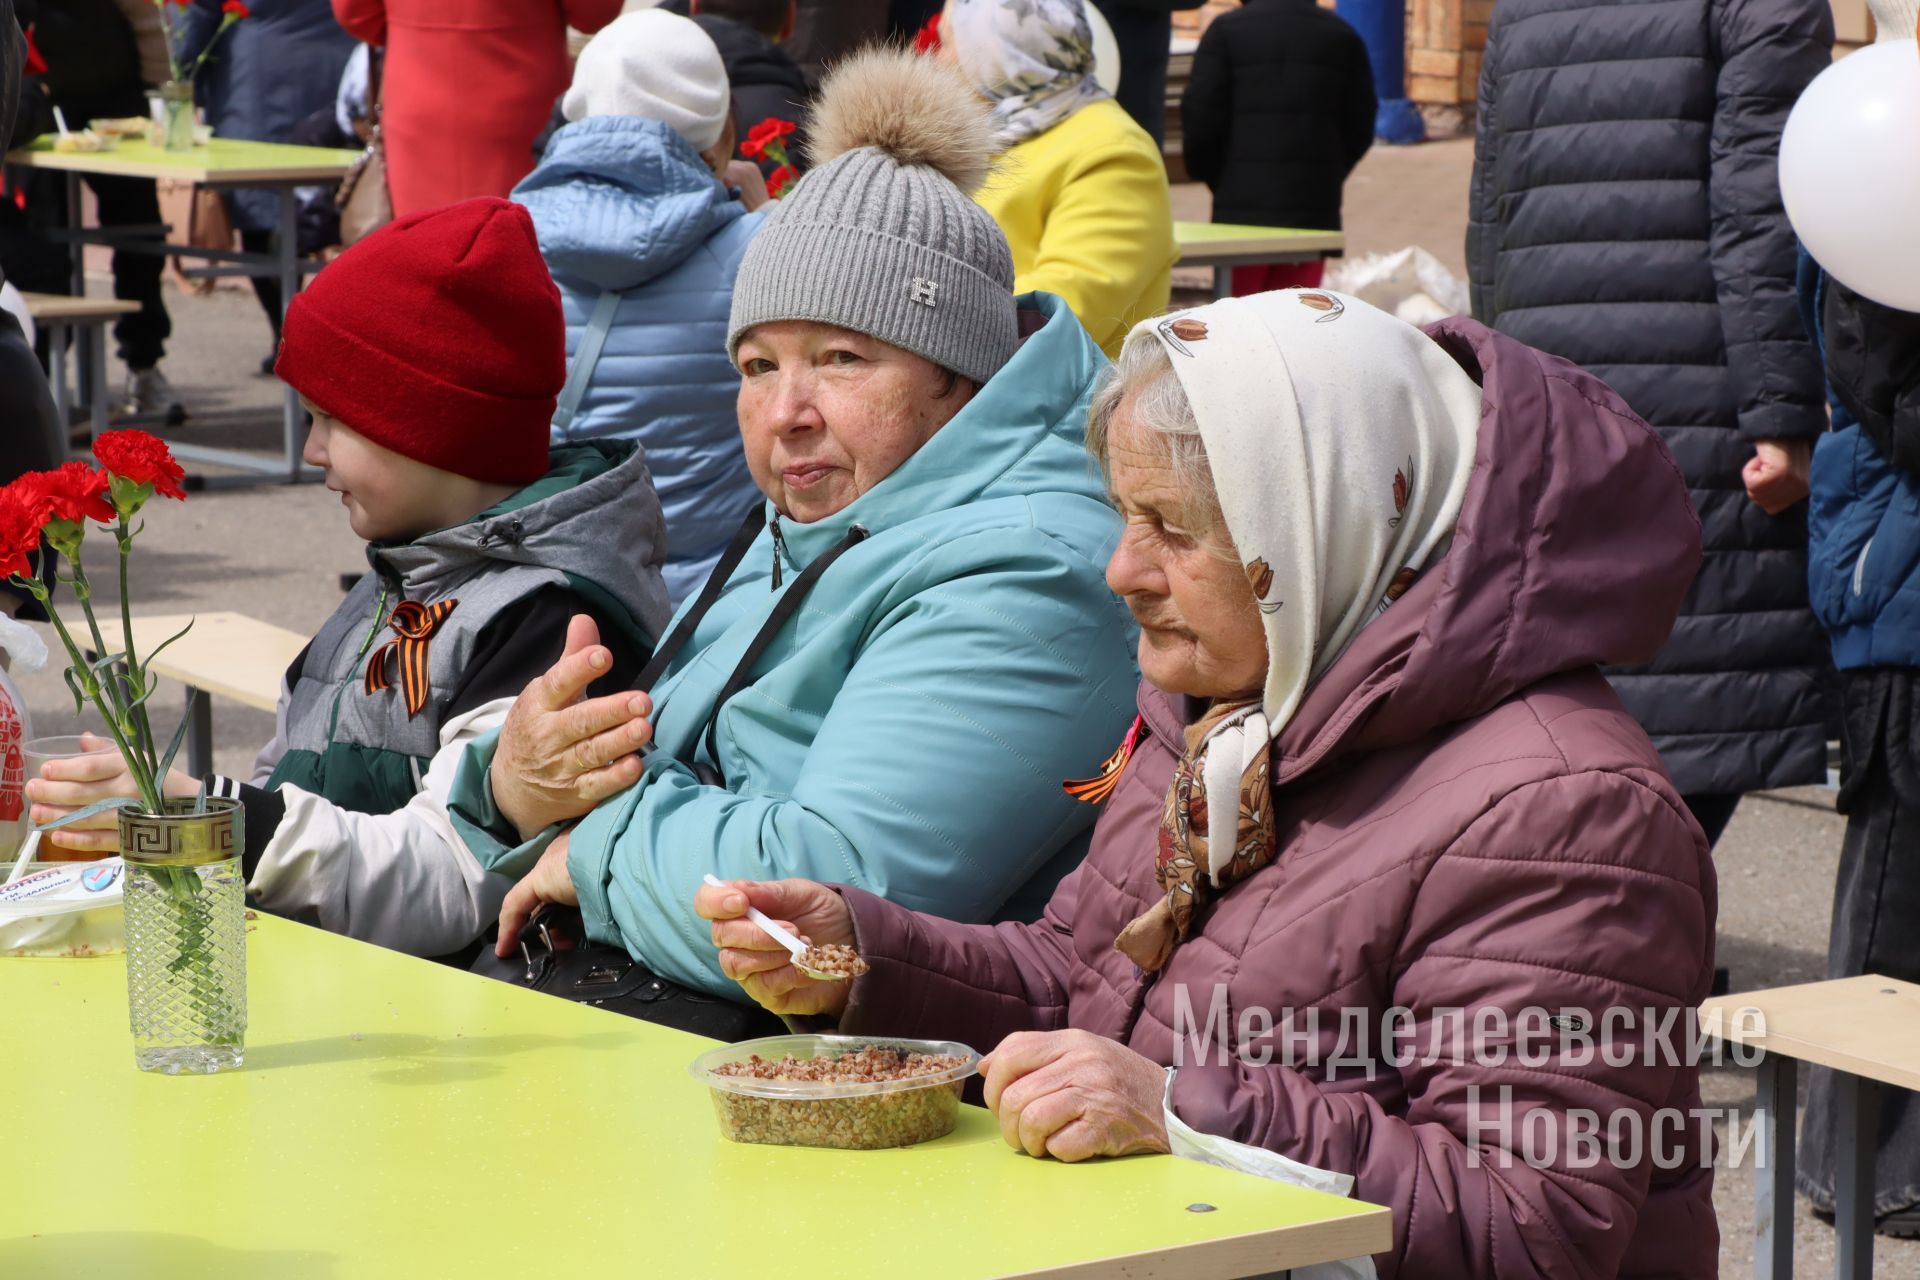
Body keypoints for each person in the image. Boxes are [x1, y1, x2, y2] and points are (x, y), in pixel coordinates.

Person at [697, 289, 1718, 1277]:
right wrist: (861, 952)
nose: (1121, 570)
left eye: (1174, 529)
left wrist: (1180, 1107)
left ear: (1323, 524)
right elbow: (1081, 979)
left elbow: (1530, 1225)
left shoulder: (1566, 810)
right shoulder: (1233, 708)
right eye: (1122, 515)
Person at [459, 48, 1138, 1000]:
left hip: (870, 1088)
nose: (787, 411)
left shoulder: (1034, 569)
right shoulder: (833, 507)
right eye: (756, 366)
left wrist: (596, 846)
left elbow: (835, 901)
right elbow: (676, 764)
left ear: (956, 375)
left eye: (841, 357)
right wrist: (519, 780)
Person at [28, 198, 672, 960]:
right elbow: (288, 768)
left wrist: (210, 819)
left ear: (433, 425)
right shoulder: (399, 575)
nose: (311, 453)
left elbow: (458, 880)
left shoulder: (549, 623)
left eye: (332, 420)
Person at [1467, 0, 1834, 856]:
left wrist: (1500, 393)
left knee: (1582, 704)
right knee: (1701, 702)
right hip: (1704, 395)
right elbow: (1760, 209)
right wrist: (1783, 418)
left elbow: (1490, 212)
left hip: (1554, 401)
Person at [515, 11, 766, 606]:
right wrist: (767, 210)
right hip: (711, 605)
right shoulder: (761, 252)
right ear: (723, 130)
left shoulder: (503, 236)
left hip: (541, 593)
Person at [1798, 164, 1920, 1233]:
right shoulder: (1886, 187)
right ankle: (1856, 1158)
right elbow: (1886, 393)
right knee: (1893, 884)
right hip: (1901, 586)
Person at [941, 0, 1175, 356]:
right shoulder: (993, 135)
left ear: (995, 52)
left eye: (948, 42)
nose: (938, 59)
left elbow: (1064, 310)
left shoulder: (1112, 151)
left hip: (1063, 404)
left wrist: (920, 307)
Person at [13, 0, 182, 421]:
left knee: (140, 236)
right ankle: (47, 381)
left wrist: (159, 93)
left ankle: (144, 365)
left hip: (118, 100)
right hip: (38, 101)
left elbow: (145, 18)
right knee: (46, 242)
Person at [176, 0, 353, 373]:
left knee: (259, 215)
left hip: (256, 79)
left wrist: (182, 73)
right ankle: (306, 338)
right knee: (318, 213)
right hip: (333, 69)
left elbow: (201, 16)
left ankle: (288, 338)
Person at [331, 0, 621, 217]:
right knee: (525, 247)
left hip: (419, 94)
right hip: (521, 98)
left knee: (425, 247)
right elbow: (595, 11)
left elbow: (356, 14)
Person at [1180, 0, 1374, 294]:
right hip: (1312, 211)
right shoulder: (1341, 35)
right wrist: (1328, 173)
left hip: (1240, 214)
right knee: (1297, 317)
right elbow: (1360, 124)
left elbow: (1201, 119)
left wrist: (1216, 178)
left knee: (1242, 320)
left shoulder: (1226, 32)